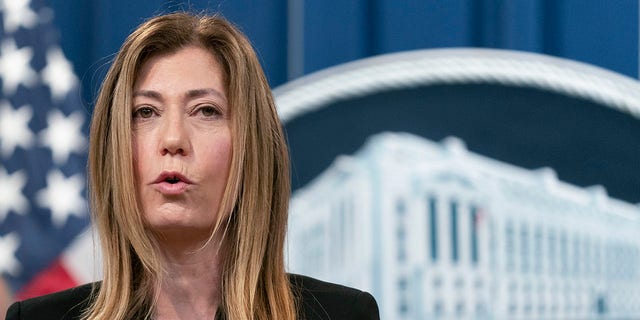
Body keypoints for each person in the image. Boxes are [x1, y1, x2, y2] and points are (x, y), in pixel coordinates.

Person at [5, 12, 379, 320]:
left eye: (205, 111)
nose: (172, 140)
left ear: (252, 149)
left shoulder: (343, 314)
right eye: (145, 112)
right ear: (114, 148)